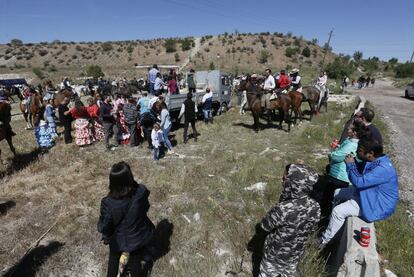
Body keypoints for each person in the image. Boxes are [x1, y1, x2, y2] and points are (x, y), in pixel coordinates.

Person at [320, 139, 399, 245]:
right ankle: (335, 228)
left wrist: (351, 165)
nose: (357, 152)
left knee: (338, 212)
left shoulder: (383, 168)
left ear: (370, 153)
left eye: (359, 151)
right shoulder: (376, 160)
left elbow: (359, 182)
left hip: (377, 204)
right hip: (370, 193)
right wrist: (355, 162)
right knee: (338, 193)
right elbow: (362, 172)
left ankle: (325, 241)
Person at [259, 164, 321, 277]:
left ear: (295, 181)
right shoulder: (316, 206)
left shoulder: (283, 208)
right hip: (295, 255)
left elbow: (264, 226)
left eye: (287, 175)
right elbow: (312, 229)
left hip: (274, 256)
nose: (283, 177)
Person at [97, 161, 155, 277]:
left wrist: (106, 237)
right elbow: (146, 208)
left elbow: (105, 225)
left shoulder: (108, 203)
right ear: (130, 177)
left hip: (117, 239)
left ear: (112, 182)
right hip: (137, 235)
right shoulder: (141, 192)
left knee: (114, 259)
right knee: (135, 260)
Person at [324, 122, 370, 207]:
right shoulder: (351, 141)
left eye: (349, 128)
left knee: (328, 199)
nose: (347, 129)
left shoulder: (352, 144)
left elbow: (337, 157)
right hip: (339, 175)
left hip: (339, 176)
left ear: (354, 132)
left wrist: (331, 154)